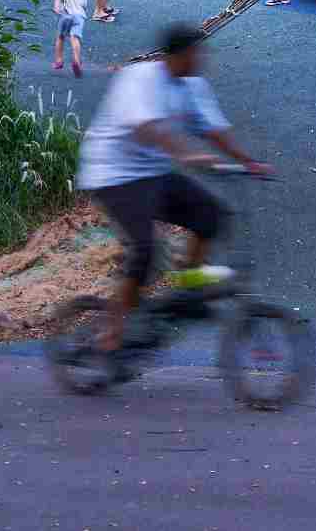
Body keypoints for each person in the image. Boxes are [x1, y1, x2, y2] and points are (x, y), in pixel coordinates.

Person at [79, 24, 271, 352]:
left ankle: (187, 289)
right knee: (145, 249)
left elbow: (213, 130)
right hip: (112, 173)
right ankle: (111, 332)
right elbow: (146, 127)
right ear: (177, 55)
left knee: (210, 215)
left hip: (153, 173)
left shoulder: (193, 86)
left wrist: (249, 162)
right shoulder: (139, 79)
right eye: (197, 52)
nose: (202, 59)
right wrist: (186, 154)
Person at [50, 0, 88, 77]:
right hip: (79, 17)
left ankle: (59, 60)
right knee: (75, 38)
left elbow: (57, 7)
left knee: (60, 37)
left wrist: (58, 10)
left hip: (66, 16)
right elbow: (84, 5)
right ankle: (76, 59)